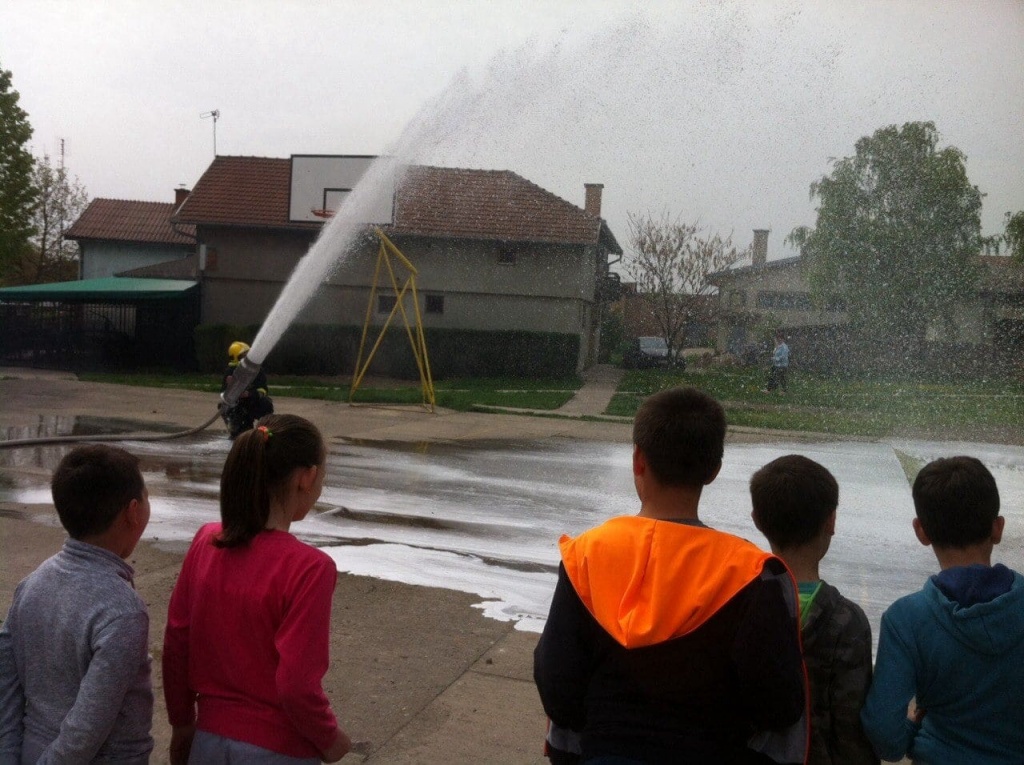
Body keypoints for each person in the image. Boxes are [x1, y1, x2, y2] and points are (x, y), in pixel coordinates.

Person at [533, 387, 808, 765]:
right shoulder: (750, 575)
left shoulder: (586, 556)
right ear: (714, 470)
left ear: (638, 460)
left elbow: (558, 688)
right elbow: (779, 706)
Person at [162, 413, 351, 765]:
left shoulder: (206, 541)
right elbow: (296, 685)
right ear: (307, 478)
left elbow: (177, 642)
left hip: (208, 742)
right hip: (279, 750)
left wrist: (183, 723)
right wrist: (330, 739)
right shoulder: (310, 568)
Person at [861, 456, 1024, 763]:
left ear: (921, 531)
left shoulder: (906, 620)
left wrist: (912, 731)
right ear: (998, 528)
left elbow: (884, 734)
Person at [0, 444, 154, 763]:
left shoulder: (31, 585)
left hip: (32, 750)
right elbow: (85, 731)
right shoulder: (123, 611)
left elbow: (7, 691)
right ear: (133, 512)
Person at [750, 455, 878, 765]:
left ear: (757, 520)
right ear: (831, 521)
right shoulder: (847, 621)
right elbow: (851, 728)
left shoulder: (740, 601)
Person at [220, 340, 273, 439]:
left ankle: (265, 431)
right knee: (241, 436)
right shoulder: (230, 372)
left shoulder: (256, 370)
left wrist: (249, 394)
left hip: (253, 401)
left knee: (266, 404)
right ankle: (236, 432)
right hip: (238, 406)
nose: (248, 357)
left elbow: (263, 390)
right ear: (237, 357)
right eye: (245, 355)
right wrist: (230, 389)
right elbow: (223, 394)